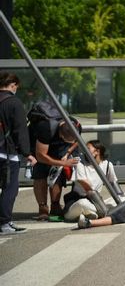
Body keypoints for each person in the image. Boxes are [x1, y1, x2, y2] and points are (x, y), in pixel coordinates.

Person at [28, 104, 80, 220]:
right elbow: (41, 156)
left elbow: (77, 142)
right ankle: (43, 207)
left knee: (58, 174)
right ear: (61, 134)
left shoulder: (76, 125)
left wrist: (67, 153)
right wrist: (63, 163)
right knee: (40, 172)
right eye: (67, 140)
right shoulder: (46, 128)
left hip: (61, 146)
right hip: (39, 145)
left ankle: (55, 205)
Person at [0, 72, 37, 234]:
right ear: (13, 84)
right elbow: (20, 130)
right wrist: (27, 153)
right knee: (10, 188)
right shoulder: (14, 103)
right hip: (6, 153)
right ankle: (4, 223)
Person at [63, 140, 124, 221]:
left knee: (124, 198)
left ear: (97, 151)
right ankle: (99, 212)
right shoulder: (79, 163)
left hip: (95, 202)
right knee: (83, 203)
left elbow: (114, 184)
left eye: (88, 149)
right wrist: (102, 207)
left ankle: (93, 214)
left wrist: (121, 200)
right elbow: (87, 187)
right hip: (78, 201)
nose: (85, 151)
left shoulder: (107, 165)